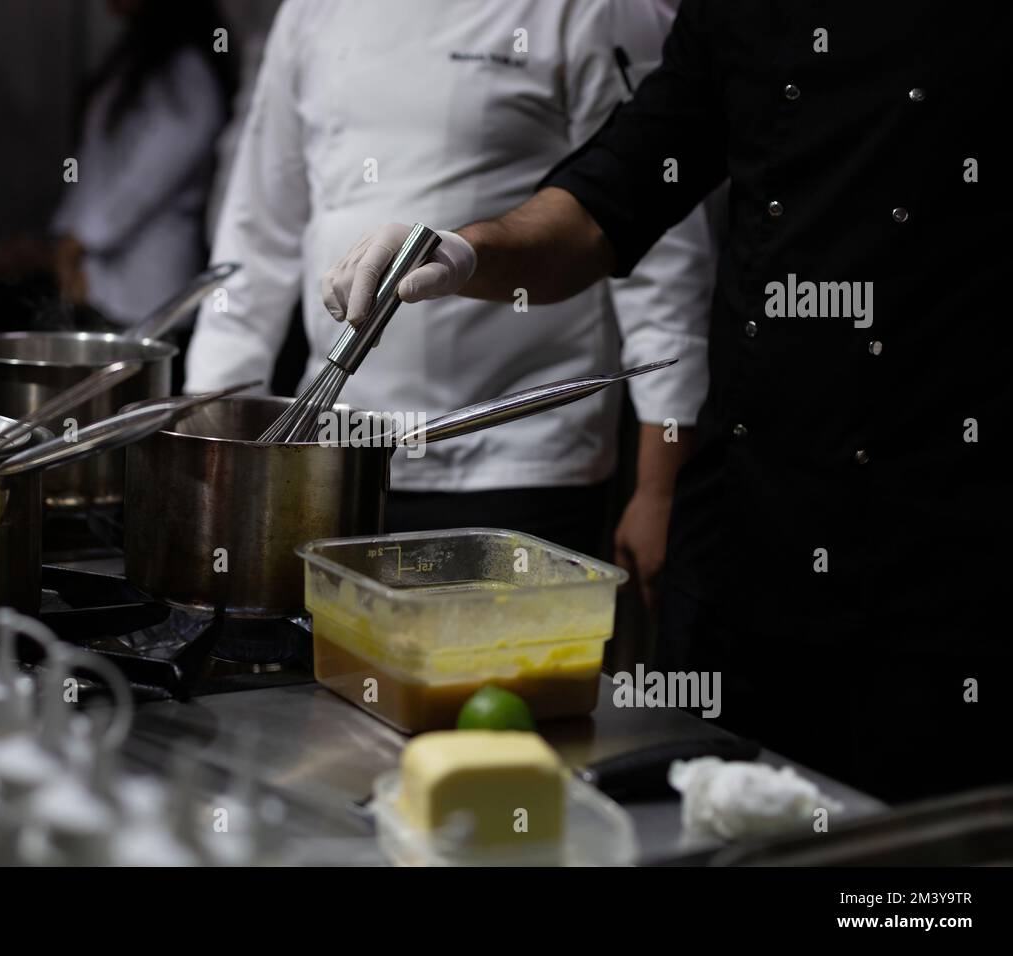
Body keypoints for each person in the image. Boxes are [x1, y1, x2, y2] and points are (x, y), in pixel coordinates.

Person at [322, 1, 1013, 802]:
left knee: (917, 893)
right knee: (703, 825)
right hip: (753, 539)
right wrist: (466, 252)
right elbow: (606, 198)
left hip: (959, 555)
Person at [185, 0, 714, 572]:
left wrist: (662, 487)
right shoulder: (313, 10)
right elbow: (257, 231)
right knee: (334, 660)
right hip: (336, 451)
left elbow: (660, 249)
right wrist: (206, 446)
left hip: (521, 459)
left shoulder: (599, 9)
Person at [51, 0, 235, 328]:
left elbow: (149, 176)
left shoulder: (188, 70)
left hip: (149, 288)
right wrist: (67, 237)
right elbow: (96, 169)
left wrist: (81, 239)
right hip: (103, 283)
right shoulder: (135, 59)